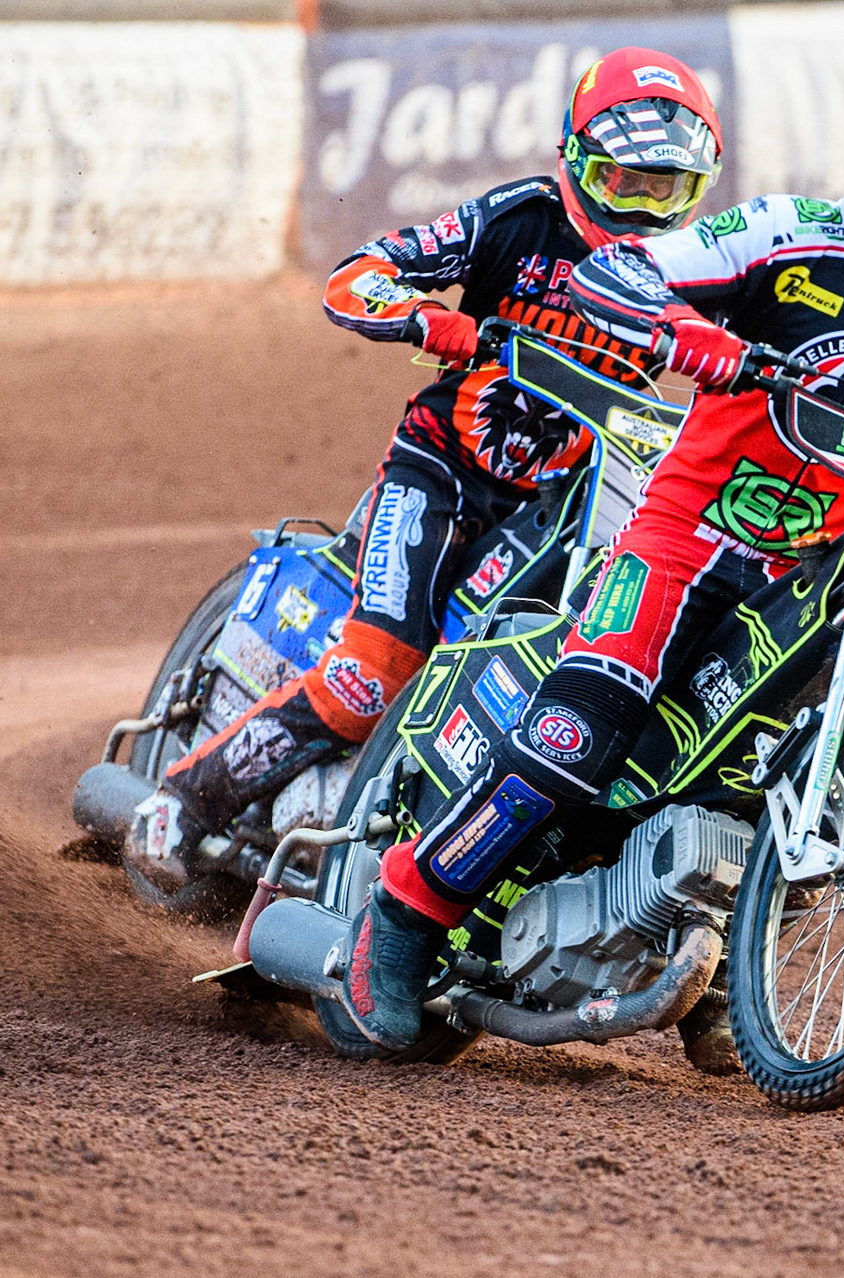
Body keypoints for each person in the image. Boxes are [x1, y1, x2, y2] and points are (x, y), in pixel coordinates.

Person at [340, 31, 844, 1060]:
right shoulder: (786, 233)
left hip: (825, 568)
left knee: (808, 766)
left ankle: (729, 971)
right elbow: (618, 275)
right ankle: (404, 915)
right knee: (583, 733)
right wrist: (688, 336)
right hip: (684, 533)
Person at [127, 50, 726, 890]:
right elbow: (355, 277)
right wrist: (425, 321)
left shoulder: (694, 264)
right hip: (441, 470)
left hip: (566, 501)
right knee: (375, 670)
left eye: (668, 189)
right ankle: (185, 801)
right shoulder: (516, 217)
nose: (644, 209)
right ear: (578, 160)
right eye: (627, 182)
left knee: (533, 673)